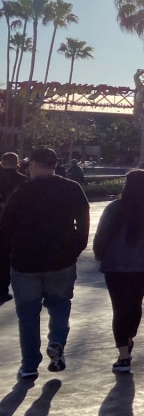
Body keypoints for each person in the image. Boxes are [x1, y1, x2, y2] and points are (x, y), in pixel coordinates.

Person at [0, 147, 90, 379]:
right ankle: (57, 342)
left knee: (28, 314)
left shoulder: (22, 191)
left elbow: (5, 228)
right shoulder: (72, 188)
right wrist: (76, 247)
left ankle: (29, 365)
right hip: (61, 261)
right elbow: (83, 220)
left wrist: (7, 257)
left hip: (25, 263)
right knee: (60, 304)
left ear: (35, 166)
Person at [93, 170, 144, 373]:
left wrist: (99, 253)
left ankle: (124, 355)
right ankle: (129, 337)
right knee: (135, 302)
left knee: (119, 307)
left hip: (115, 265)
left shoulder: (114, 208)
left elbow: (102, 234)